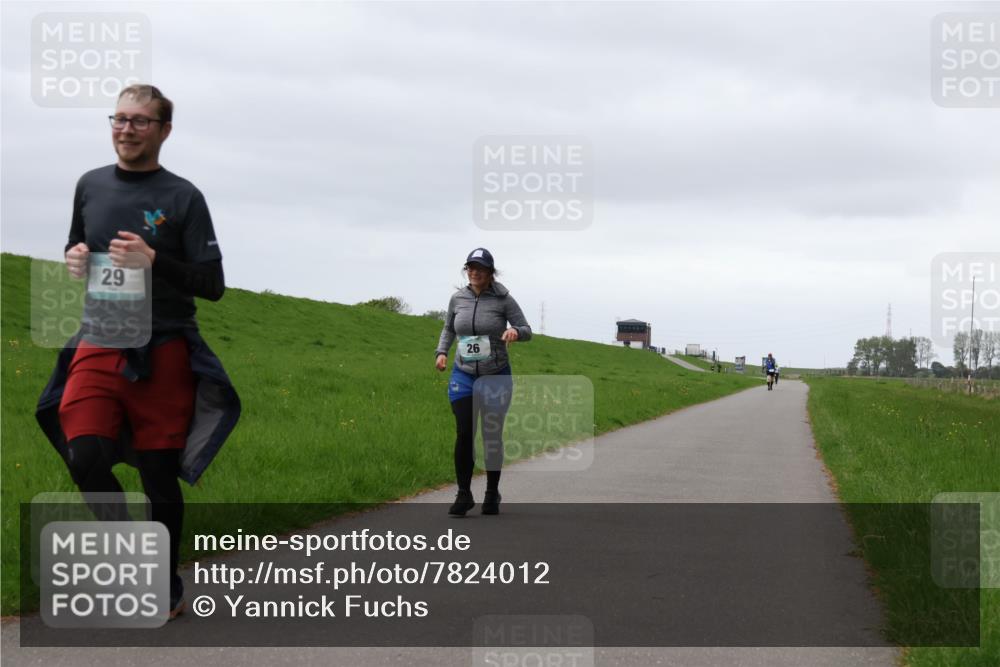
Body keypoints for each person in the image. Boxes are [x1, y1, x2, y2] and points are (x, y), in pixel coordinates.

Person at [36, 85, 241, 620]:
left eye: (140, 121)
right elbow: (76, 243)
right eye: (120, 119)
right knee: (84, 456)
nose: (126, 129)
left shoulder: (184, 197)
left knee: (156, 473)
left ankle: (164, 580)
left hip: (164, 345)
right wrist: (75, 258)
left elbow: (213, 284)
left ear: (163, 131)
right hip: (99, 335)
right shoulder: (90, 184)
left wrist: (154, 259)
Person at [435, 248, 532, 516]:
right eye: (470, 267)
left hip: (496, 375)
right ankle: (463, 494)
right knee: (465, 432)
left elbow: (527, 330)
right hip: (463, 374)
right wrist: (442, 352)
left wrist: (514, 331)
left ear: (490, 272)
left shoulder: (503, 300)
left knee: (491, 436)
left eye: (480, 268)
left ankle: (491, 492)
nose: (474, 272)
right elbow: (449, 328)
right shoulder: (458, 299)